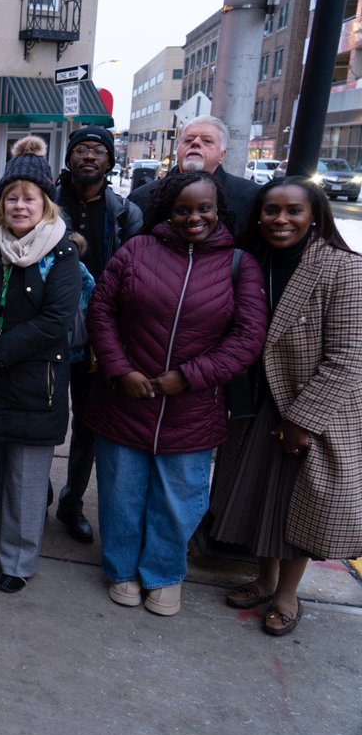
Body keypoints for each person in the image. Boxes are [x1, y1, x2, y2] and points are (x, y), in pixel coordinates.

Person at [86, 170, 267, 616]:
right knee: (120, 494)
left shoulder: (238, 263)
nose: (193, 218)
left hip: (193, 407)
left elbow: (248, 335)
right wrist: (119, 368)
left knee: (179, 500)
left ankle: (165, 574)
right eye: (183, 209)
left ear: (217, 209)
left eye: (203, 208)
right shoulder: (136, 250)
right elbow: (102, 309)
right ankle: (121, 569)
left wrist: (191, 375)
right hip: (126, 399)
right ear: (168, 210)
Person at [210, 177, 362, 636]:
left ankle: (287, 595)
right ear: (258, 215)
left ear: (314, 216)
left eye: (293, 211)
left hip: (310, 406)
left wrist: (303, 421)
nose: (281, 220)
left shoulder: (343, 268)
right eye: (271, 210)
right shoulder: (253, 261)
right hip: (257, 399)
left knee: (298, 503)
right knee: (259, 495)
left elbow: (348, 356)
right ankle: (263, 578)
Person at [0, 137, 80, 594]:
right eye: (12, 197)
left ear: (45, 203)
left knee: (26, 477)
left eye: (29, 198)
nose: (19, 205)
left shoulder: (61, 252)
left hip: (34, 381)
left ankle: (19, 559)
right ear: (1, 201)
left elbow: (56, 321)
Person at [52, 125, 144, 544]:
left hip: (97, 337)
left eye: (98, 151)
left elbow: (133, 278)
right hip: (49, 330)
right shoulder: (47, 202)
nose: (89, 156)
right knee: (44, 416)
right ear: (69, 158)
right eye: (81, 149)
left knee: (88, 426)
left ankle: (72, 503)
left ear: (110, 161)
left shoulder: (125, 213)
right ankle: (35, 494)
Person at [128, 116, 260, 243]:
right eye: (188, 140)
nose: (195, 143)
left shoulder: (250, 196)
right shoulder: (142, 197)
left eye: (207, 141)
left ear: (222, 154)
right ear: (177, 149)